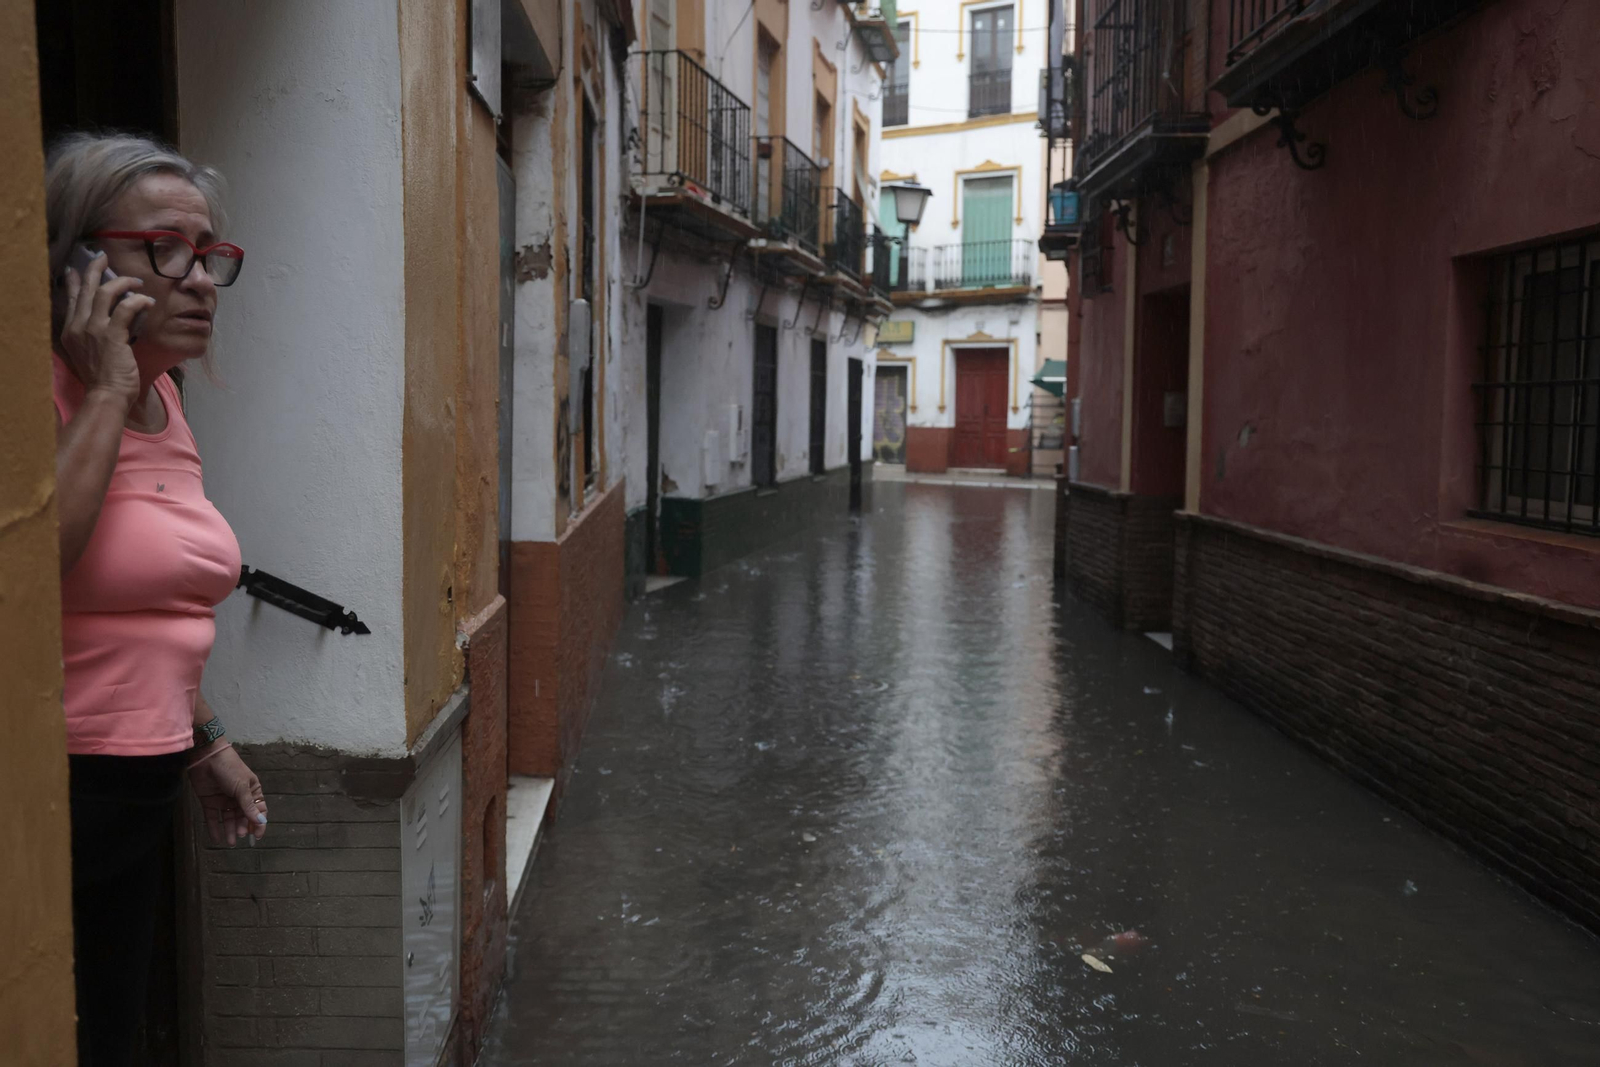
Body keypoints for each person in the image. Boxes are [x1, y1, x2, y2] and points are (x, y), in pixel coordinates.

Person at [47, 132, 267, 1067]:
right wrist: (104, 386)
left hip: (140, 786)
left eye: (209, 254)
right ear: (79, 261)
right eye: (166, 250)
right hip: (46, 786)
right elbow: (30, 573)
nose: (201, 280)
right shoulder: (45, 394)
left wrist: (204, 737)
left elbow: (152, 606)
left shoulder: (167, 402)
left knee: (110, 1038)